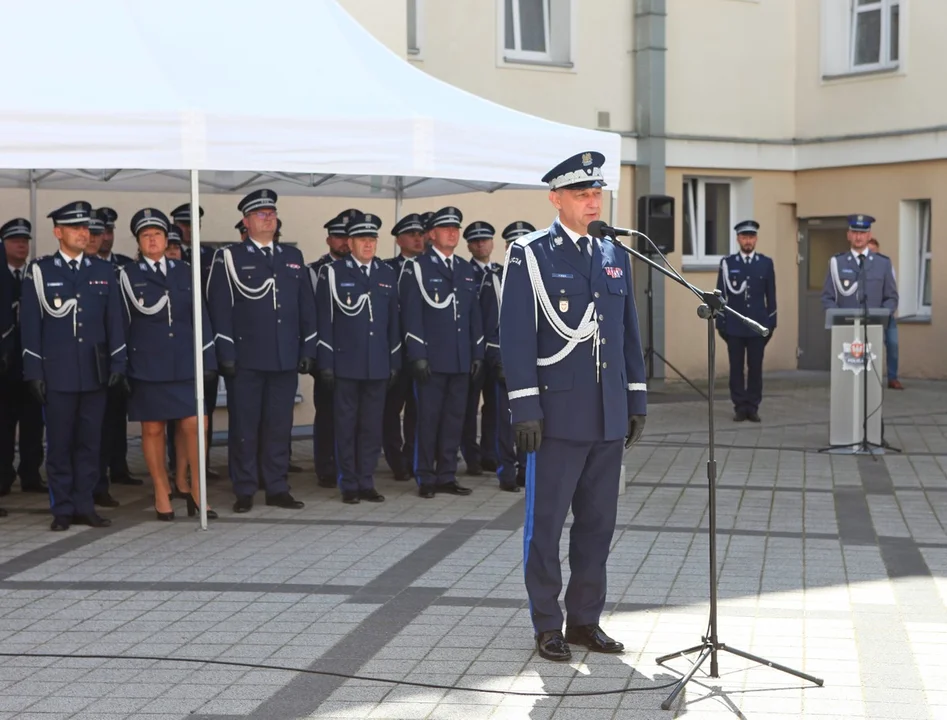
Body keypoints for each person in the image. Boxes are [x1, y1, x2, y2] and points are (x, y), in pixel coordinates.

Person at [499, 151, 647, 661]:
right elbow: (516, 337)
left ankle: (585, 619)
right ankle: (547, 623)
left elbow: (627, 332)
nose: (592, 202)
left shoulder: (613, 254)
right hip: (557, 417)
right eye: (582, 194)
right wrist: (524, 408)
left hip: (606, 414)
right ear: (555, 199)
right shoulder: (530, 254)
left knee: (597, 525)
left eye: (596, 193)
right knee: (546, 525)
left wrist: (635, 398)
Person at [20, 201, 129, 531]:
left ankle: (85, 504)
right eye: (76, 228)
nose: (85, 233)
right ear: (58, 232)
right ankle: (62, 509)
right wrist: (34, 372)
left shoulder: (101, 270)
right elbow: (31, 327)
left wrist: (118, 361)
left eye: (87, 228)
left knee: (90, 444)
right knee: (59, 445)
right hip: (58, 374)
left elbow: (115, 322)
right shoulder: (41, 272)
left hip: (94, 373)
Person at [207, 189, 318, 513]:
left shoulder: (291, 257)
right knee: (244, 426)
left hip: (284, 356)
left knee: (278, 426)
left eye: (271, 213)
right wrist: (225, 353)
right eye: (260, 214)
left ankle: (277, 486)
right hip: (247, 359)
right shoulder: (229, 257)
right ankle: (244, 488)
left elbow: (305, 307)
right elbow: (220, 309)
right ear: (246, 222)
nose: (268, 218)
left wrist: (307, 346)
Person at [119, 209, 218, 520]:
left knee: (195, 426)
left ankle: (195, 488)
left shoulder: (183, 271)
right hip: (147, 363)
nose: (152, 239)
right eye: (146, 235)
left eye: (158, 234)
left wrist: (208, 358)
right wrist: (120, 366)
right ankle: (161, 491)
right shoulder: (127, 275)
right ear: (138, 241)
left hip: (185, 361)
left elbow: (201, 317)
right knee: (153, 429)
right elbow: (119, 323)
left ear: (167, 239)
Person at [316, 212, 401, 504]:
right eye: (363, 239)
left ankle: (367, 480)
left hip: (377, 365)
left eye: (373, 239)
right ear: (350, 242)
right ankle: (348, 483)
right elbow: (324, 321)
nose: (369, 244)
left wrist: (394, 362)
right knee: (346, 426)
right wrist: (325, 363)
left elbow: (393, 325)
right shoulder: (333, 273)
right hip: (346, 365)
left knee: (371, 427)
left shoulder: (386, 273)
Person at [400, 206, 482, 499]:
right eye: (446, 228)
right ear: (432, 234)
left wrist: (476, 353)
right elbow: (412, 315)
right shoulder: (418, 267)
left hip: (459, 358)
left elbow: (473, 315)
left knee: (454, 419)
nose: (452, 233)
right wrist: (417, 353)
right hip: (432, 359)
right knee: (428, 419)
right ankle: (424, 475)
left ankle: (447, 474)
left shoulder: (463, 268)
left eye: (456, 229)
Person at [477, 221, 536, 493]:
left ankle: (527, 469)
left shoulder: (542, 277)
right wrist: (497, 359)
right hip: (503, 364)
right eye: (514, 244)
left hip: (533, 365)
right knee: (503, 422)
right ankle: (506, 472)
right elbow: (489, 325)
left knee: (530, 418)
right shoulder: (495, 278)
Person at [170, 203, 221, 480]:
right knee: (173, 408)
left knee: (204, 408)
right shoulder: (168, 253)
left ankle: (202, 462)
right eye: (183, 224)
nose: (188, 230)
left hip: (205, 338)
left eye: (192, 225)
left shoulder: (210, 255)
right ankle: (174, 462)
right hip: (176, 338)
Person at [308, 209, 359, 488]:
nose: (344, 241)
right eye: (339, 236)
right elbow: (313, 317)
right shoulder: (316, 271)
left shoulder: (363, 271)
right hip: (327, 355)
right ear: (329, 240)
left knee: (355, 417)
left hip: (356, 357)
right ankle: (326, 466)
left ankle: (351, 467)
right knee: (327, 415)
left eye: (348, 236)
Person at [92, 208, 139, 496]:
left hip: (120, 353)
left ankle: (119, 467)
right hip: (93, 356)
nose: (105, 238)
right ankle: (98, 479)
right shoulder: (84, 266)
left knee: (117, 415)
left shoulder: (124, 266)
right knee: (97, 421)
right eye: (99, 232)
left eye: (108, 232)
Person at [0, 219, 46, 496]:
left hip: (29, 364)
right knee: (4, 427)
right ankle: (3, 478)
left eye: (25, 240)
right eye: (15, 240)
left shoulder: (35, 275)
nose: (21, 245)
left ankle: (30, 474)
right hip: (4, 365)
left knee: (32, 424)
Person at [715, 220, 777, 423]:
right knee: (736, 368)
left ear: (756, 239)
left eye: (751, 237)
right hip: (734, 326)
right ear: (738, 239)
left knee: (755, 368)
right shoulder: (728, 263)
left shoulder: (765, 263)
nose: (748, 241)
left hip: (758, 326)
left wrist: (771, 323)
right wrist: (721, 323)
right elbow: (721, 295)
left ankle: (753, 406)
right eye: (744, 237)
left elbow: (771, 296)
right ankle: (740, 406)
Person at [821, 215, 899, 370]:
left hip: (873, 330)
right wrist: (840, 320)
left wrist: (881, 315)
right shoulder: (837, 263)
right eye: (855, 232)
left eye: (863, 233)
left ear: (869, 236)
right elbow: (827, 297)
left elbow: (891, 297)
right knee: (848, 377)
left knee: (870, 380)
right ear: (848, 235)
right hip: (846, 332)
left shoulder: (882, 263)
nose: (858, 237)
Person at [382, 213, 425, 482]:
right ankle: (396, 459)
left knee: (418, 412)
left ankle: (414, 457)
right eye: (411, 234)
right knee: (390, 411)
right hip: (395, 352)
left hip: (422, 354)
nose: (418, 238)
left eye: (421, 234)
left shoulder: (432, 267)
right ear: (399, 240)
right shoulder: (387, 269)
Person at [461, 221, 502, 476]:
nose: (480, 244)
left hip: (496, 352)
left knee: (494, 407)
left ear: (492, 243)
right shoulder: (463, 272)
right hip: (471, 352)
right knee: (468, 408)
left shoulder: (500, 271)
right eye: (475, 241)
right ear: (468, 245)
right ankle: (471, 456)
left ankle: (490, 453)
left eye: (485, 240)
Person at [868, 237, 902, 389]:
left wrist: (888, 310)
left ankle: (892, 378)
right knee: (871, 346)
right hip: (869, 314)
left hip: (886, 313)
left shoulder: (885, 266)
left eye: (874, 251)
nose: (872, 255)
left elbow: (892, 292)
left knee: (893, 344)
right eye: (869, 252)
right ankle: (870, 378)